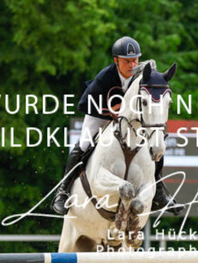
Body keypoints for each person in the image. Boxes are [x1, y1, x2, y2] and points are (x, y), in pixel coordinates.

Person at [51, 36, 181, 216]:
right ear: (116, 60)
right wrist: (114, 111)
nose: (132, 64)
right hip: (99, 112)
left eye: (135, 60)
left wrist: (154, 74)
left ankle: (159, 191)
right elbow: (90, 103)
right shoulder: (105, 77)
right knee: (84, 145)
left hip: (127, 118)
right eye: (127, 61)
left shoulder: (139, 75)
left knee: (155, 142)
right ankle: (62, 192)